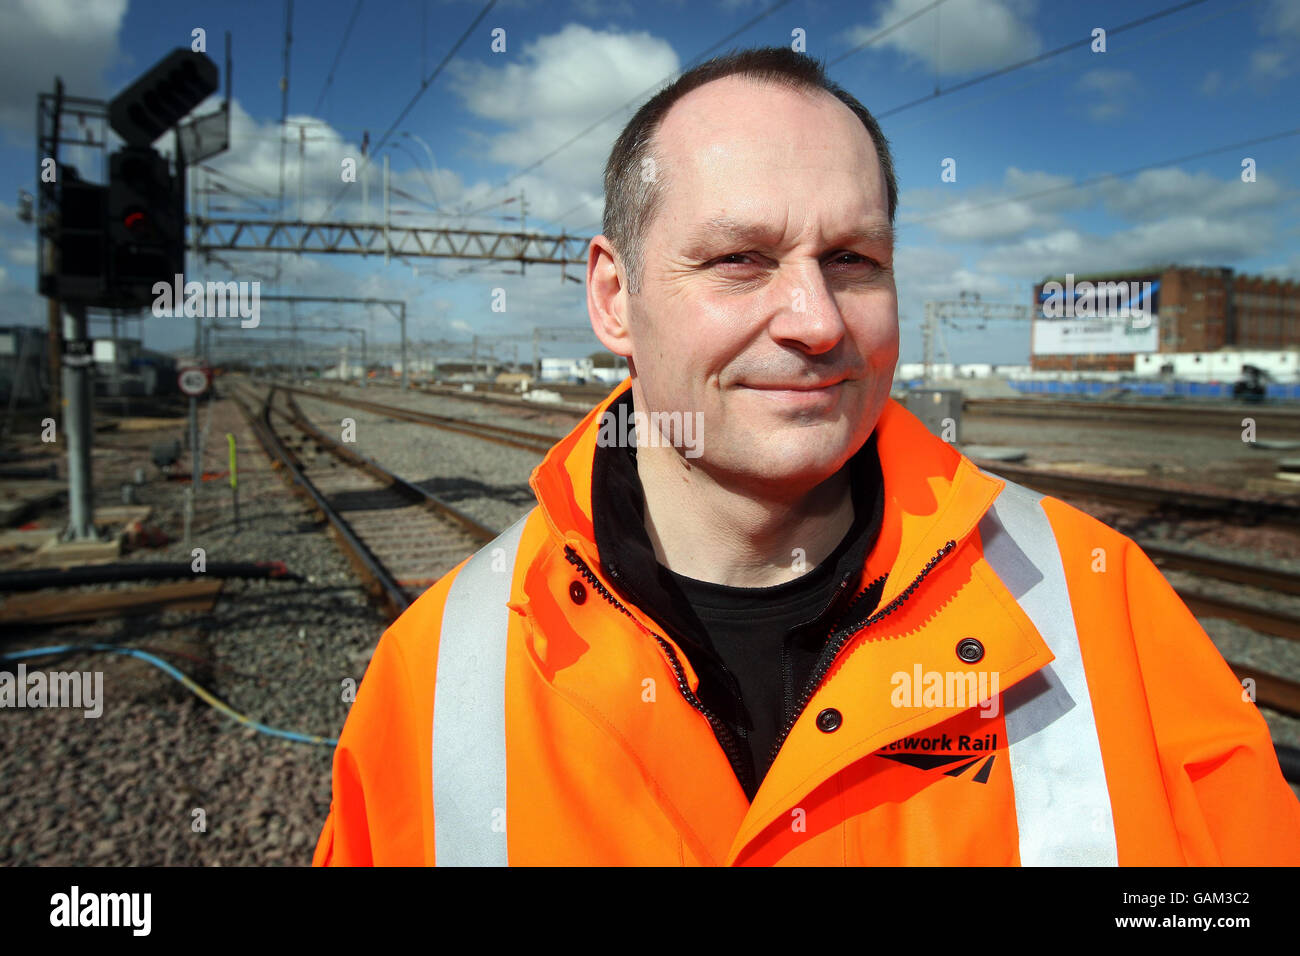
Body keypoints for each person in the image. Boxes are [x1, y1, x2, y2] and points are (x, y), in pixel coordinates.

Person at [312, 47, 1300, 866]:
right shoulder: (437, 674)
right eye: (739, 259)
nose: (816, 321)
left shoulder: (1100, 604)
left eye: (853, 261)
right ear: (612, 297)